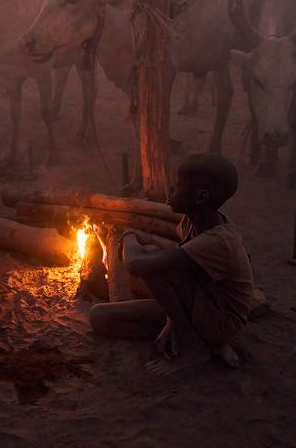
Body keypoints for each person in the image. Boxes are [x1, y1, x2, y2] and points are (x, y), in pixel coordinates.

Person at [88, 153, 255, 375]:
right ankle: (199, 339)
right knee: (99, 318)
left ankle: (194, 346)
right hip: (196, 308)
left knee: (152, 263)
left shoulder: (218, 241)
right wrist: (171, 321)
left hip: (221, 321)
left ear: (201, 197)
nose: (170, 189)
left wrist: (128, 236)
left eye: (177, 185)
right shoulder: (191, 221)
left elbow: (137, 265)